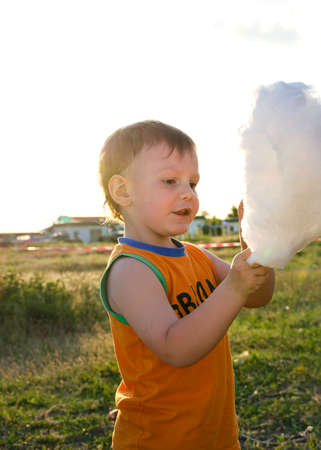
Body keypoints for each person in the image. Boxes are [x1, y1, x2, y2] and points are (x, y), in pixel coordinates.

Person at [98, 120, 275, 450]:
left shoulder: (197, 256)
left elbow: (258, 296)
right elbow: (175, 348)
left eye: (193, 183)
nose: (187, 194)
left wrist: (259, 247)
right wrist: (234, 287)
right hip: (159, 439)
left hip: (215, 433)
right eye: (169, 181)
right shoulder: (131, 270)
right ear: (123, 191)